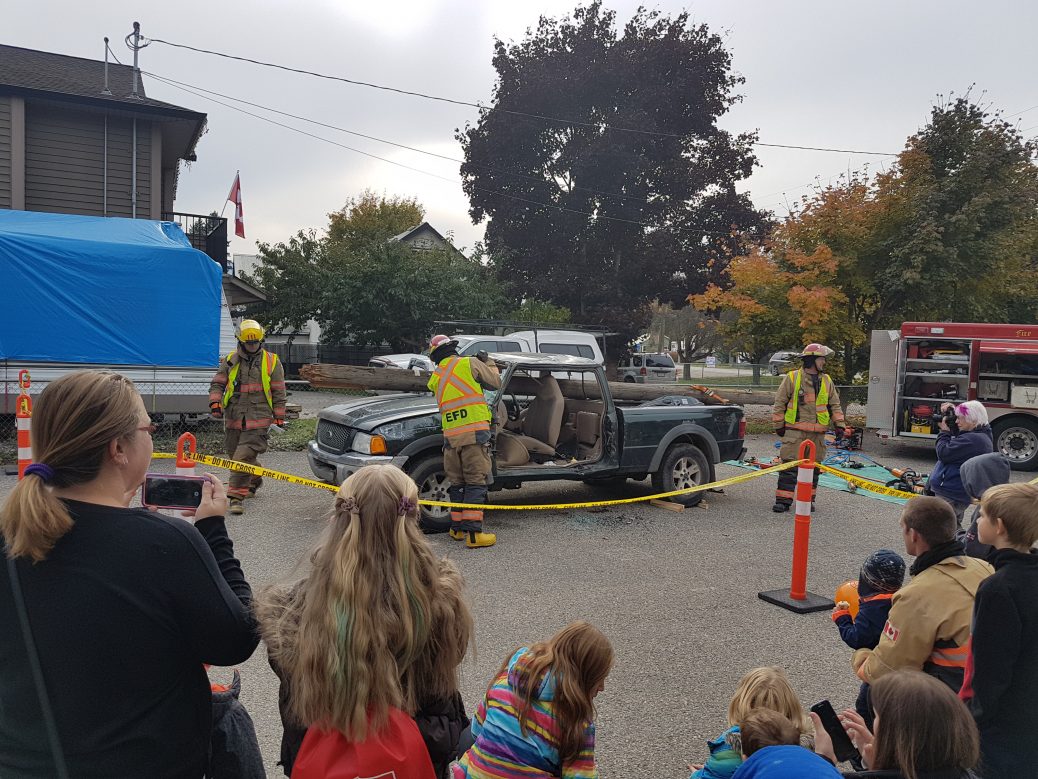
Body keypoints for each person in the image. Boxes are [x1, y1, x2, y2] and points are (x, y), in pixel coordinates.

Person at [0, 371, 258, 779]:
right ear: (118, 448)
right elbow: (236, 640)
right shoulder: (165, 544)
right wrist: (213, 533)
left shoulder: (10, 533)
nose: (152, 436)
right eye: (148, 427)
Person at [256, 464, 472, 778]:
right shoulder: (440, 602)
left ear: (337, 520)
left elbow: (291, 681)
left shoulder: (293, 609)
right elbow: (446, 673)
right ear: (412, 521)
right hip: (415, 759)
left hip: (319, 760)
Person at [852, 497, 992, 693]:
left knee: (872, 692)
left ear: (913, 534)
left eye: (903, 528)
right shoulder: (983, 567)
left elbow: (888, 670)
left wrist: (861, 657)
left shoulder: (915, 595)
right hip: (989, 680)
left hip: (949, 696)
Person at [453, 620, 612, 779]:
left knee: (471, 737)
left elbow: (476, 730)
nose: (602, 687)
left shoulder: (506, 679)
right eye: (599, 678)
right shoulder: (576, 720)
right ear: (585, 676)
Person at [958, 483, 1038, 777]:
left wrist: (971, 720)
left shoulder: (998, 588)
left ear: (999, 526)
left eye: (982, 515)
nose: (977, 521)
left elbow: (990, 668)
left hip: (1002, 728)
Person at [813, 670, 980, 779]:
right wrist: (880, 765)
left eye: (877, 716)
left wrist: (823, 760)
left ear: (894, 733)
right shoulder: (967, 774)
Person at [426, 334, 501, 548]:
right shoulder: (470, 363)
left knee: (457, 484)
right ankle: (475, 535)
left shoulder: (436, 377)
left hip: (451, 438)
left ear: (435, 357)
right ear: (452, 348)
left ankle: (457, 529)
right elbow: (495, 383)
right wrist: (490, 362)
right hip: (474, 434)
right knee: (476, 482)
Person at [209, 318, 287, 515]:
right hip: (235, 417)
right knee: (234, 454)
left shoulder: (271, 361)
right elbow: (217, 383)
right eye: (248, 343)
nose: (252, 346)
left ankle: (236, 498)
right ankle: (254, 478)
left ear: (261, 340)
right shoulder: (230, 361)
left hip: (259, 418)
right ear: (240, 342)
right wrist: (215, 402)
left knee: (241, 458)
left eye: (255, 343)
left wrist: (279, 415)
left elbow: (279, 390)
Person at [689, 666, 815, 779]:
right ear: (791, 705)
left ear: (740, 701)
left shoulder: (730, 746)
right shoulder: (808, 748)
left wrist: (704, 773)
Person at [770, 343, 851, 512]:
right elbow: (780, 403)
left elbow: (835, 405)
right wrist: (779, 425)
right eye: (821, 359)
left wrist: (840, 426)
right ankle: (783, 501)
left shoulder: (827, 380)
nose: (824, 362)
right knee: (789, 468)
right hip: (795, 433)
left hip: (818, 436)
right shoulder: (792, 378)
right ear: (812, 360)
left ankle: (807, 500)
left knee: (813, 471)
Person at [832, 549, 906, 729]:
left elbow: (857, 639)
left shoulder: (872, 609)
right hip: (898, 664)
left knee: (866, 708)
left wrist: (843, 619)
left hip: (877, 667)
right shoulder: (901, 601)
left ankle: (867, 744)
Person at [927, 401, 993, 525]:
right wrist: (954, 410)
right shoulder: (980, 435)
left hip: (951, 494)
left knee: (939, 528)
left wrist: (944, 432)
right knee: (950, 527)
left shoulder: (974, 440)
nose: (957, 422)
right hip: (956, 492)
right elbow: (960, 436)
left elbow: (943, 453)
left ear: (973, 420)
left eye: (960, 418)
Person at [957, 452, 1011, 561]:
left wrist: (956, 532)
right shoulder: (1009, 500)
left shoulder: (988, 507)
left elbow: (972, 548)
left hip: (988, 567)